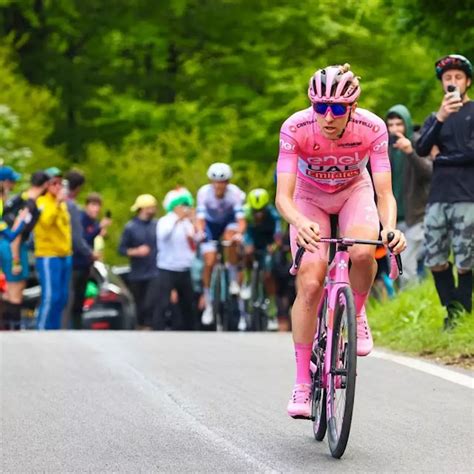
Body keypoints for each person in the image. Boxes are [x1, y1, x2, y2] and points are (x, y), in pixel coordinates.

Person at [275, 63, 406, 418]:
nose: (328, 116)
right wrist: (299, 222)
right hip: (309, 199)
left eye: (337, 109)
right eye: (320, 107)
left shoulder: (373, 128)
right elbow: (283, 197)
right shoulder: (295, 127)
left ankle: (357, 314)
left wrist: (390, 228)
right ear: (312, 106)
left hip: (353, 192)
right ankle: (303, 382)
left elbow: (384, 193)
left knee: (364, 253)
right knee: (312, 280)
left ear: (353, 108)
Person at [415, 54, 474, 329]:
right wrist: (440, 118)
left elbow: (470, 153)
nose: (452, 82)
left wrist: (443, 158)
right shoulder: (434, 117)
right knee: (435, 258)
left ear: (468, 82)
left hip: (467, 196)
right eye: (447, 78)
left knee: (466, 258)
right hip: (438, 197)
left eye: (457, 78)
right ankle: (451, 310)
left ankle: (463, 313)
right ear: (442, 83)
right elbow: (422, 149)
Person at [386, 105, 433, 287]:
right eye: (391, 125)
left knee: (406, 266)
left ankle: (414, 308)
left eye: (399, 124)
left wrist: (410, 152)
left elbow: (428, 173)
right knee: (396, 270)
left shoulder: (419, 143)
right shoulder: (384, 149)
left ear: (406, 124)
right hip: (392, 221)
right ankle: (405, 304)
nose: (395, 129)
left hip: (416, 218)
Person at [196, 163, 246, 325]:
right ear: (211, 182)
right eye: (215, 182)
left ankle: (232, 279)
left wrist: (239, 233)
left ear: (228, 182)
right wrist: (200, 232)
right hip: (210, 226)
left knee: (231, 238)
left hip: (227, 223)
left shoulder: (235, 193)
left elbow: (241, 220)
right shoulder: (204, 192)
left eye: (223, 182)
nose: (219, 186)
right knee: (209, 261)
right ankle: (209, 305)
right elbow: (200, 219)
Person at [1, 170, 50, 329]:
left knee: (10, 290)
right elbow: (16, 230)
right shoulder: (29, 203)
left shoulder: (20, 199)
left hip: (9, 244)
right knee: (16, 290)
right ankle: (13, 329)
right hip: (14, 246)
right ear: (45, 185)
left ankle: (7, 327)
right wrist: (16, 260)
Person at [150, 187, 196, 330]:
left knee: (187, 303)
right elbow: (163, 236)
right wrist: (177, 220)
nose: (184, 208)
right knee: (163, 302)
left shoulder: (187, 223)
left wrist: (193, 222)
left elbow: (196, 240)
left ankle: (189, 329)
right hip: (167, 267)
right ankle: (158, 327)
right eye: (182, 205)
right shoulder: (165, 221)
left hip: (185, 267)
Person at [34, 167, 73, 330]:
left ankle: (54, 329)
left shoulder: (63, 204)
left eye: (60, 183)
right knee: (51, 296)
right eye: (54, 183)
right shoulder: (41, 202)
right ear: (47, 185)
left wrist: (60, 203)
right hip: (48, 255)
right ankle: (42, 329)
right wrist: (57, 203)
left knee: (62, 297)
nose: (58, 187)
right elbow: (46, 222)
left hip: (64, 254)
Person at [118, 194, 159, 330]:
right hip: (137, 273)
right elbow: (121, 249)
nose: (153, 210)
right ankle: (139, 327)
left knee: (151, 302)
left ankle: (150, 326)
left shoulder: (157, 225)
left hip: (154, 272)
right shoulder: (130, 227)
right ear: (142, 209)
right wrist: (136, 251)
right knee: (139, 304)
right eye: (150, 208)